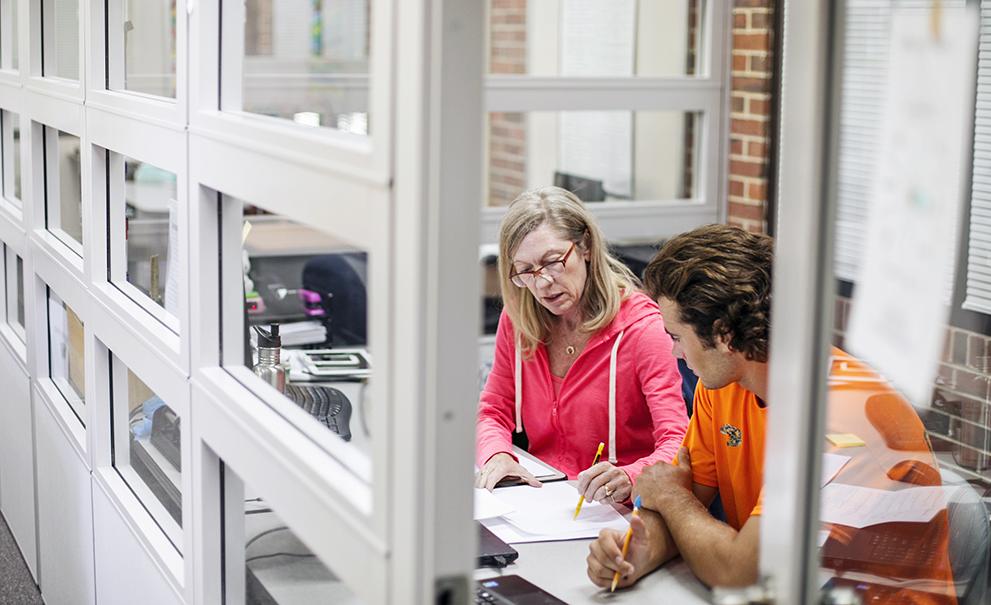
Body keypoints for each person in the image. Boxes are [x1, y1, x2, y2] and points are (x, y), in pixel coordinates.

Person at [586, 224, 957, 603]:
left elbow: (740, 572)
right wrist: (634, 553)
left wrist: (671, 498)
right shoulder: (723, 385)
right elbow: (684, 502)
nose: (674, 354)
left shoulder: (843, 421)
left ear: (724, 335)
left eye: (676, 337)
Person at [475, 187, 688, 505]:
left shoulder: (644, 330)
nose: (543, 283)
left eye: (552, 262)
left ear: (585, 246)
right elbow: (493, 410)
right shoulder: (518, 320)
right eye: (526, 271)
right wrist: (497, 456)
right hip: (541, 499)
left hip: (615, 510)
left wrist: (631, 475)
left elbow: (680, 441)